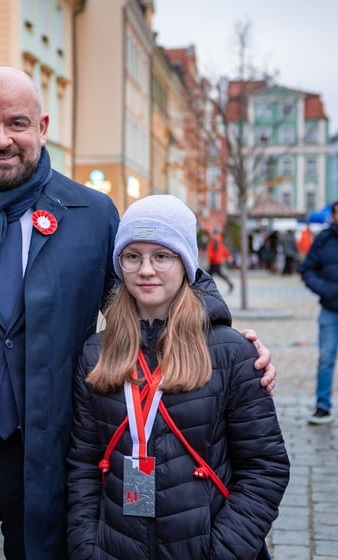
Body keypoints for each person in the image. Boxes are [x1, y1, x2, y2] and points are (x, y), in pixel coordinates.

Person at [0, 66, 277, 559]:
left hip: (55, 456)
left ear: (42, 127)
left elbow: (147, 283)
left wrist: (222, 335)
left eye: (17, 124)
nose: (1, 140)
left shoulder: (92, 214)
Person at [66, 195, 289, 559]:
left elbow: (265, 468)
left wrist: (221, 551)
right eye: (132, 256)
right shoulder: (96, 352)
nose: (146, 270)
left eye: (162, 256)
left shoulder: (231, 353)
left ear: (186, 263)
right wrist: (89, 548)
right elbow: (82, 465)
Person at [300, 201, 338, 425]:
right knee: (326, 358)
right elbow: (307, 270)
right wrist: (326, 290)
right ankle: (322, 406)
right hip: (330, 310)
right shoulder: (323, 240)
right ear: (333, 215)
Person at [205, 226, 233, 293]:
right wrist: (228, 256)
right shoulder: (217, 240)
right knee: (209, 275)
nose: (210, 234)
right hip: (215, 261)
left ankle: (230, 285)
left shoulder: (215, 241)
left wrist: (210, 257)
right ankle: (206, 288)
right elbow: (223, 249)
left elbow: (214, 251)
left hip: (215, 262)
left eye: (211, 233)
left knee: (209, 275)